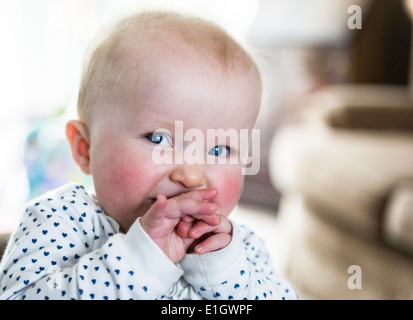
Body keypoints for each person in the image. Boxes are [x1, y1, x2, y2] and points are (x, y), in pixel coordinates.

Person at [0, 11, 297, 300]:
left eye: (219, 149)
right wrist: (140, 260)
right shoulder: (60, 220)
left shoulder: (239, 249)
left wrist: (226, 273)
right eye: (158, 139)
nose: (192, 175)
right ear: (85, 147)